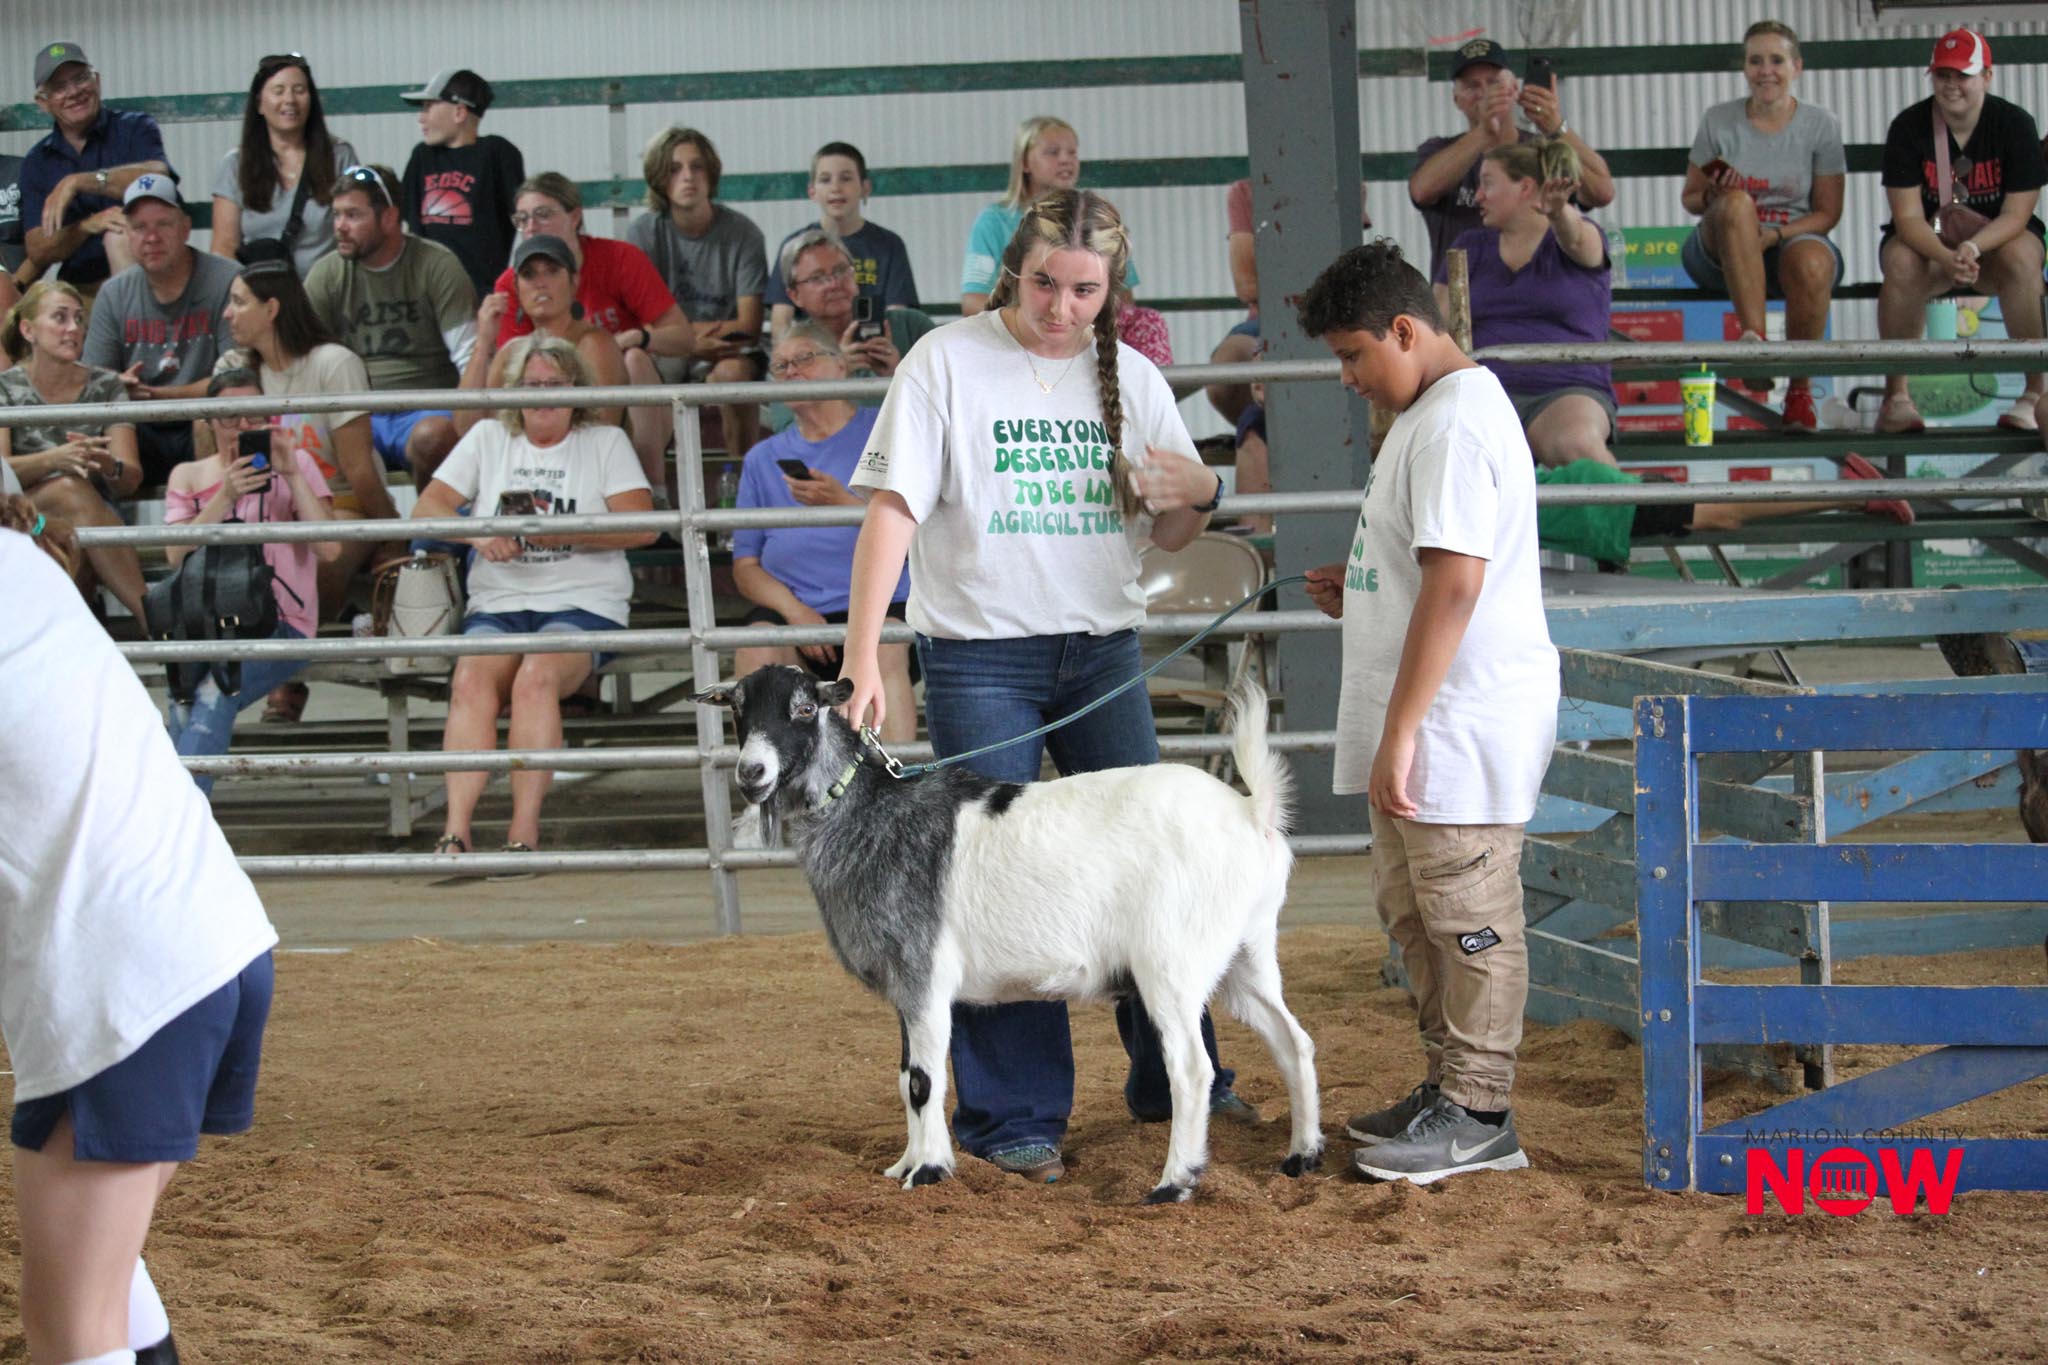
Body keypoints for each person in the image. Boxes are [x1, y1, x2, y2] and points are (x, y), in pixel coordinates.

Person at [838, 188, 1254, 1185]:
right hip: (980, 656)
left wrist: (1203, 492)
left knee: (1153, 868)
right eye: (1042, 285)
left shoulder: (1134, 377)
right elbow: (893, 509)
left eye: (1084, 291)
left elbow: (1170, 529)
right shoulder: (944, 362)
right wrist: (860, 651)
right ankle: (1012, 1112)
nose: (1061, 308)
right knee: (988, 882)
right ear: (1009, 274)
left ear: (1111, 291)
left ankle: (1174, 1079)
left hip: (1102, 650)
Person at [1298, 239, 1556, 1185]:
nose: (1348, 377)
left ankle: (1480, 1110)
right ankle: (1451, 1084)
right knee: (1418, 912)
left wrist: (1402, 729)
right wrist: (1365, 584)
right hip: (1422, 719)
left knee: (1468, 913)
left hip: (1456, 723)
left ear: (1404, 330)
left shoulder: (1454, 424)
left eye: (1353, 354)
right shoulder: (1428, 415)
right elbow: (1429, 569)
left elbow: (1456, 584)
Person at [1, 493, 277, 1365]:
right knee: (98, 1277)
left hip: (123, 976)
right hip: (202, 943)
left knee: (72, 1325)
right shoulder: (21, 566)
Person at [411, 335, 656, 866]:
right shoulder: (488, 436)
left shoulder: (604, 441)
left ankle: (523, 830)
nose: (543, 395)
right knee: (470, 680)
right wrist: (479, 534)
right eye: (531, 384)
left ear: (576, 391)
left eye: (555, 384)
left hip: (583, 601)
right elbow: (427, 508)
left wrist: (564, 531)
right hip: (500, 598)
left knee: (536, 677)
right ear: (514, 391)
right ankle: (455, 832)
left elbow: (643, 526)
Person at [221, 242, 397, 720]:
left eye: (238, 302)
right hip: (267, 507)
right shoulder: (235, 372)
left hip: (341, 503)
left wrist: (392, 536)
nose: (227, 313)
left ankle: (284, 676)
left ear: (271, 309)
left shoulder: (333, 364)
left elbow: (359, 470)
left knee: (316, 557)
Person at [163, 368, 342, 796]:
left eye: (255, 415)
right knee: (182, 699)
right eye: (231, 415)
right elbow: (175, 555)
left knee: (217, 689)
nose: (244, 425)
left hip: (282, 621)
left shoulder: (297, 464)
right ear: (211, 421)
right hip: (205, 623)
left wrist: (292, 475)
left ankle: (178, 814)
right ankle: (176, 815)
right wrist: (225, 494)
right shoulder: (188, 474)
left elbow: (331, 549)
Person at [733, 324, 915, 742]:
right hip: (798, 608)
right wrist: (796, 612)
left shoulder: (885, 430)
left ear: (841, 366)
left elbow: (925, 531)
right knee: (756, 645)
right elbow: (745, 566)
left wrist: (845, 504)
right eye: (781, 366)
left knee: (884, 645)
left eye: (805, 358)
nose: (792, 371)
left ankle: (890, 776)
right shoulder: (762, 458)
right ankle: (767, 775)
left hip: (886, 603)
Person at [1877, 29, 2046, 434]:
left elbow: (2017, 214)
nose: (1951, 85)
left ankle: (2036, 393)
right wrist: (1945, 255)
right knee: (1900, 259)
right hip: (1932, 249)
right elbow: (1907, 218)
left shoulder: (2015, 124)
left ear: (1987, 76)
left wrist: (1972, 246)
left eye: (1963, 75)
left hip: (1995, 245)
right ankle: (1897, 396)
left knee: (2023, 255)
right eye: (1942, 75)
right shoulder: (1908, 126)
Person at [1680, 21, 1846, 431]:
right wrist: (1714, 196)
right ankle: (1754, 345)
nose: (1766, 71)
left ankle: (1800, 392)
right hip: (1722, 244)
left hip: (1789, 238)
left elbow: (1827, 214)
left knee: (1813, 263)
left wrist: (1774, 236)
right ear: (1745, 68)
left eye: (1776, 60)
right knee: (1738, 205)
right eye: (1756, 61)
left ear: (1796, 67)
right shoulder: (1719, 120)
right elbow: (1690, 198)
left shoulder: (1820, 124)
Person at [492, 173, 693, 488]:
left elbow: (683, 337)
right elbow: (508, 371)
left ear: (575, 216)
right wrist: (482, 342)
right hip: (552, 394)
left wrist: (639, 337)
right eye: (522, 219)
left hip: (630, 387)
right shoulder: (511, 283)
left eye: (543, 214)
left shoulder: (620, 258)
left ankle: (653, 488)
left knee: (634, 359)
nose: (531, 227)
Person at [1437, 138, 1617, 470]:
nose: (1478, 196)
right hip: (1484, 392)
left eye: (1488, 184)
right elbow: (1436, 324)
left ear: (1526, 187)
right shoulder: (1469, 246)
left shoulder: (1582, 236)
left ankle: (1634, 503)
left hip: (1564, 390)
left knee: (1575, 442)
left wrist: (1558, 212)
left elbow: (1575, 237)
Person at [304, 164, 476, 486]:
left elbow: (468, 356)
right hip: (358, 410)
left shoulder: (437, 264)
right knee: (315, 442)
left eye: (353, 215)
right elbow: (304, 360)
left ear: (389, 217)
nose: (340, 227)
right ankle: (370, 519)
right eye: (336, 215)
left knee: (433, 437)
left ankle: (431, 519)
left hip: (426, 408)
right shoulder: (326, 274)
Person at [0, 278, 151, 629]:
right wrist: (55, 460)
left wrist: (108, 465)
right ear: (28, 330)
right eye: (60, 317)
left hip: (90, 515)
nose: (73, 328)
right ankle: (153, 620)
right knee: (70, 490)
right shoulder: (5, 387)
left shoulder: (107, 385)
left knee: (73, 532)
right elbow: (2, 474)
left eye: (79, 319)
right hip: (20, 512)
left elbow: (129, 478)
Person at [1409, 37, 1614, 277]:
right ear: (1457, 100)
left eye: (1494, 82)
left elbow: (1602, 192)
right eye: (1472, 86)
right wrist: (1484, 132)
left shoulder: (1544, 151)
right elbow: (1422, 191)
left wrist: (1556, 127)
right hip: (1463, 293)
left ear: (1514, 89)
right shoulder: (1439, 150)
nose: (1484, 93)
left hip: (1540, 287)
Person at [83, 174, 240, 483]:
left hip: (205, 419)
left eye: (163, 225)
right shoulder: (113, 293)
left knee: (214, 418)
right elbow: (93, 379)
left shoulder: (228, 280)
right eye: (140, 227)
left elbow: (235, 380)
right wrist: (117, 384)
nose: (151, 237)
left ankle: (219, 509)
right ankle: (108, 509)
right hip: (137, 424)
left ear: (185, 228)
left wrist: (158, 396)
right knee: (100, 429)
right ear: (128, 235)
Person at [629, 127, 769, 457]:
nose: (687, 177)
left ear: (711, 173)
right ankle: (653, 477)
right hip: (665, 350)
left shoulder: (743, 233)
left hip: (725, 349)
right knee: (634, 363)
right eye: (674, 169)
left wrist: (680, 335)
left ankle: (741, 474)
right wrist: (687, 342)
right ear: (659, 178)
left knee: (734, 374)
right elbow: (639, 324)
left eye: (697, 166)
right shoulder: (644, 232)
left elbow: (748, 325)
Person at [1533, 450, 1913, 569]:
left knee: (1726, 513)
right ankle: (1851, 492)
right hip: (1594, 502)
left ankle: (1852, 493)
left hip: (1601, 509)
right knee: (1725, 511)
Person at [1205, 176, 1370, 425]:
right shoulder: (1245, 191)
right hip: (1268, 320)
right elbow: (1247, 286)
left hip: (1331, 315)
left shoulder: (1344, 183)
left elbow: (1347, 272)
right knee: (1223, 378)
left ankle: (1262, 430)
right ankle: (1260, 430)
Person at [18, 41, 171, 294]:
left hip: (149, 281)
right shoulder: (38, 161)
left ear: (97, 81)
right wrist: (86, 226)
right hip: (80, 290)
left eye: (80, 79)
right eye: (59, 87)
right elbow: (38, 249)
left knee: (119, 234)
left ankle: (134, 316)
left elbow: (157, 178)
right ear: (43, 102)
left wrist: (78, 182)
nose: (73, 92)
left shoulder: (134, 128)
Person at [959, 116, 1142, 316]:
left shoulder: (1098, 217)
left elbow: (1123, 297)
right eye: (1052, 152)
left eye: (1072, 152)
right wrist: (1027, 322)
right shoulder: (994, 221)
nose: (1065, 160)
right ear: (1025, 162)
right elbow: (973, 301)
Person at [461, 233, 629, 435]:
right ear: (516, 288)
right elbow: (466, 430)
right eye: (529, 274)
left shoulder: (595, 344)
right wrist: (483, 343)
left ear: (574, 281)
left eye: (552, 271)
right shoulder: (511, 352)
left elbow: (600, 431)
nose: (540, 283)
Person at [209, 52, 357, 278]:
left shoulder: (340, 156)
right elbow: (224, 248)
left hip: (327, 291)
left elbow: (357, 230)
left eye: (299, 90)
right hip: (260, 293)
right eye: (278, 91)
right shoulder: (235, 164)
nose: (290, 100)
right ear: (259, 103)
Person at [765, 142, 920, 339]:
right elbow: (781, 321)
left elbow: (896, 316)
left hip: (873, 347)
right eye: (825, 180)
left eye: (846, 178)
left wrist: (885, 352)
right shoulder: (795, 246)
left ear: (865, 187)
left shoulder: (889, 245)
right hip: (816, 352)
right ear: (812, 191)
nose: (836, 188)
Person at [400, 68, 525, 299]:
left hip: (480, 292)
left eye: (428, 107)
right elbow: (407, 223)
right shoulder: (422, 157)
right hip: (427, 293)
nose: (421, 118)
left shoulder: (496, 154)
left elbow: (524, 215)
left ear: (459, 112)